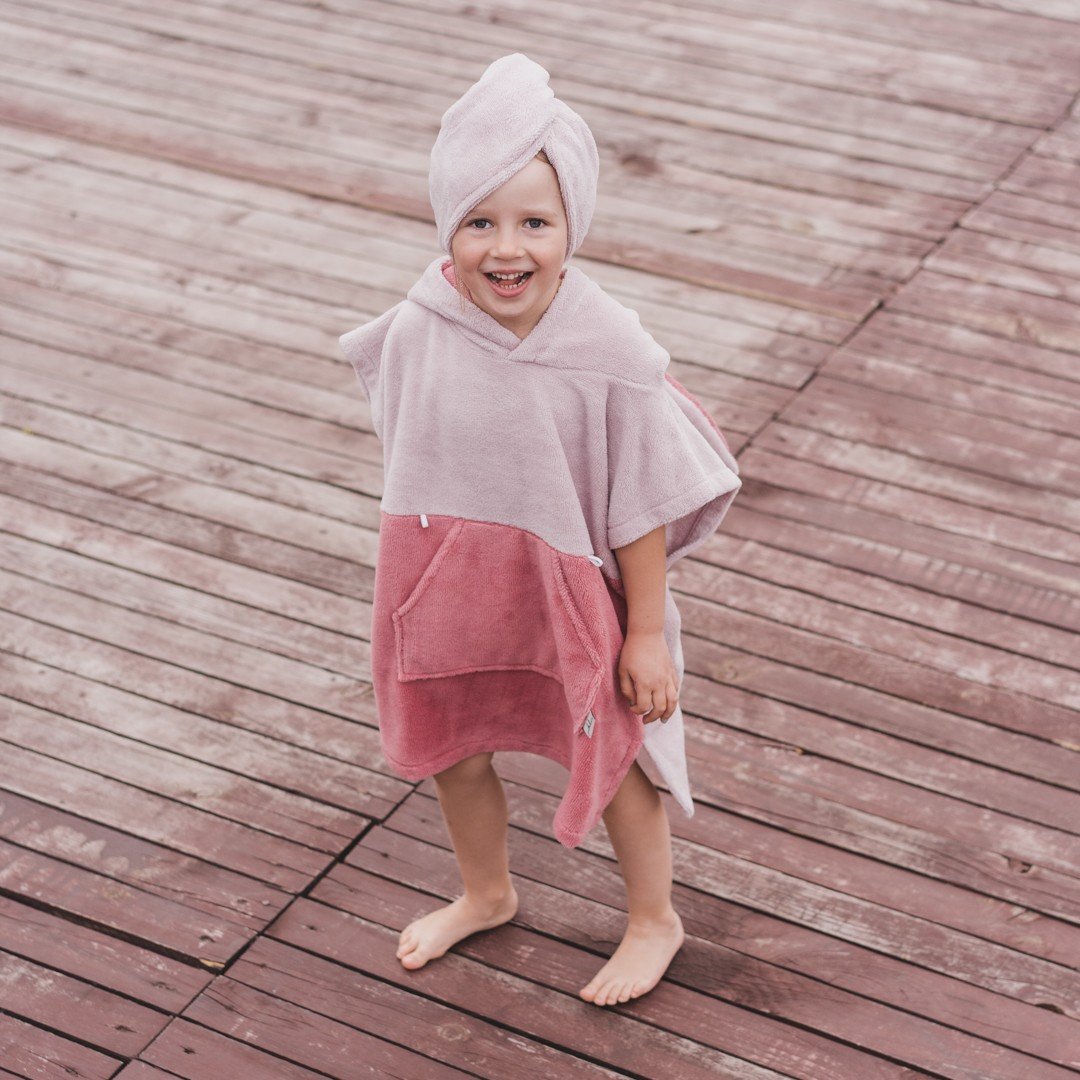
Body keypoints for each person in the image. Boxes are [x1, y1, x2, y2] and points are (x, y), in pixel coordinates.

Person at [339, 54, 741, 1007]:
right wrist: (429, 567)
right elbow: (415, 443)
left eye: (534, 223)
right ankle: (486, 891)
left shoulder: (607, 352)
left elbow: (639, 500)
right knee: (454, 743)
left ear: (573, 228)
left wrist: (644, 630)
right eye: (479, 222)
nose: (504, 248)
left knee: (617, 754)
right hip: (447, 572)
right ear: (449, 228)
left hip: (569, 583)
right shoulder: (420, 324)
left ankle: (655, 918)